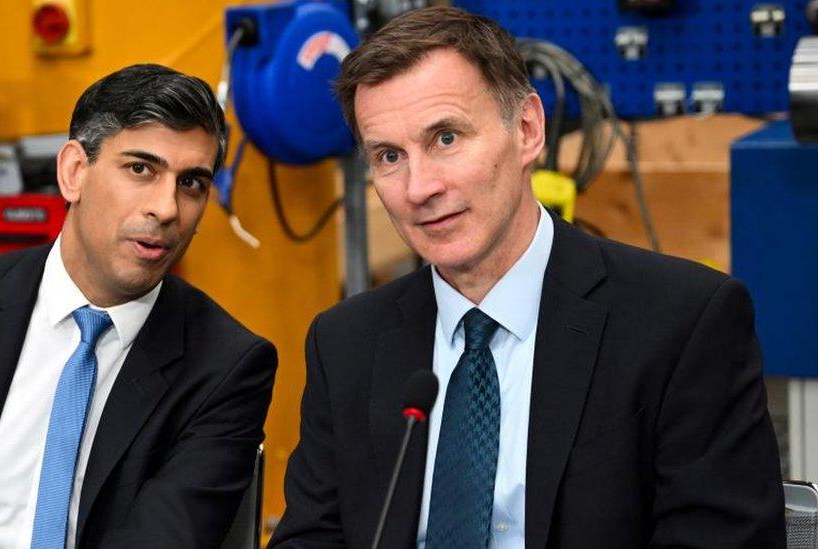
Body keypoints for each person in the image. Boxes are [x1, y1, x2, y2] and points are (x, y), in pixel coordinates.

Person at [270, 7, 784, 548]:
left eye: (446, 138)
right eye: (390, 155)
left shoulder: (682, 323)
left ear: (527, 130)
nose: (419, 187)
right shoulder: (347, 343)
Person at [0, 64, 277, 549]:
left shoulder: (226, 366)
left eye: (191, 184)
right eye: (141, 169)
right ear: (74, 172)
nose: (167, 208)